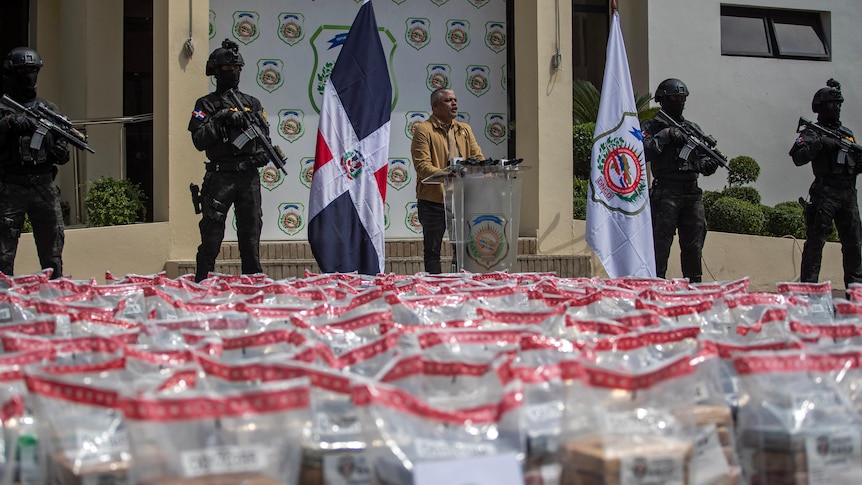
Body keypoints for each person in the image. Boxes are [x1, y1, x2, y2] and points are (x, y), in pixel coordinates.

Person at [188, 39, 271, 283]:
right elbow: (199, 139)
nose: (233, 74)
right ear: (215, 72)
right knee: (212, 235)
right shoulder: (206, 104)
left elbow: (264, 137)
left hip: (247, 177)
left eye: (237, 69)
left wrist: (261, 155)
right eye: (227, 70)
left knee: (251, 234)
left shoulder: (252, 103)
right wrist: (221, 118)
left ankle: (253, 283)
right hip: (220, 176)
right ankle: (202, 282)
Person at [642, 78, 721, 282]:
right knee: (660, 243)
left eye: (682, 98)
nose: (679, 102)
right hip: (666, 191)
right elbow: (642, 151)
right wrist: (666, 135)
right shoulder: (652, 126)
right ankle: (655, 283)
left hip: (691, 192)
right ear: (663, 99)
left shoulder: (692, 129)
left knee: (693, 244)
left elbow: (702, 160)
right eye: (675, 98)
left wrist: (708, 165)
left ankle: (693, 285)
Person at [0, 47, 70, 279]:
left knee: (52, 252)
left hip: (44, 186)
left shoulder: (49, 110)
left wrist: (60, 150)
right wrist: (9, 123)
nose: (29, 77)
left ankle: (54, 304)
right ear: (12, 74)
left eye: (33, 71)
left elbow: (62, 150)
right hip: (11, 186)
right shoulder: (3, 109)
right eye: (23, 71)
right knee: (4, 254)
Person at [789, 78, 862, 287]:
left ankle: (855, 293)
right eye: (831, 104)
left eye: (838, 104)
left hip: (848, 193)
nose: (836, 108)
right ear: (820, 107)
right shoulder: (813, 132)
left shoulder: (846, 134)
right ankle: (810, 291)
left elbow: (854, 164)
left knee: (853, 245)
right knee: (815, 243)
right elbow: (797, 157)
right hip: (825, 192)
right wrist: (819, 144)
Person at [411, 88, 484, 274]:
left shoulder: (464, 129)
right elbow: (422, 166)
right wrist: (450, 174)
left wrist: (487, 170)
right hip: (434, 201)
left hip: (462, 199)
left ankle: (462, 286)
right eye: (448, 100)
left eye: (455, 99)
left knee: (463, 249)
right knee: (432, 251)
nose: (454, 104)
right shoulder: (423, 130)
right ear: (435, 106)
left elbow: (478, 158)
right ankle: (434, 289)